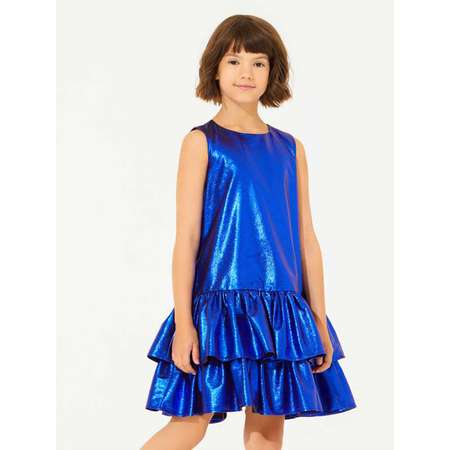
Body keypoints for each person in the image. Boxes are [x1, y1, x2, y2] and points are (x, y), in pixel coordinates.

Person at [140, 14, 357, 450]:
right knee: (190, 423)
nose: (246, 73)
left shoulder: (290, 148)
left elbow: (307, 238)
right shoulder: (202, 142)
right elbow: (187, 238)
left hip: (280, 311)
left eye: (258, 63)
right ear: (215, 69)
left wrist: (318, 318)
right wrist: (184, 322)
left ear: (272, 72)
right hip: (219, 308)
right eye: (235, 61)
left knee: (266, 431)